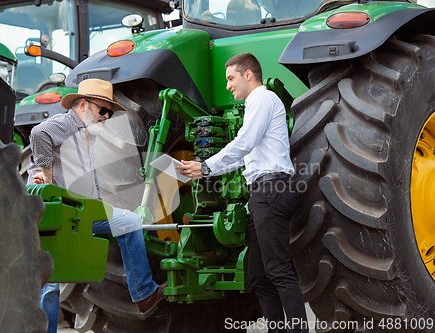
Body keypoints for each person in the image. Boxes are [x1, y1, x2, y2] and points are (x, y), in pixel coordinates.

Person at [175, 53, 308, 333]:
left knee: (279, 270)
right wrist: (204, 170)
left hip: (270, 190)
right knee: (259, 275)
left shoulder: (262, 98)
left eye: (231, 78)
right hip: (262, 193)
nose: (227, 86)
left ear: (249, 75)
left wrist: (207, 164)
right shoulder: (256, 104)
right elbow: (244, 155)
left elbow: (244, 142)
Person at [27, 79, 167, 332]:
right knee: (49, 282)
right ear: (83, 104)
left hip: (82, 212)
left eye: (110, 113)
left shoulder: (87, 134)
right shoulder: (66, 124)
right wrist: (46, 176)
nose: (106, 116)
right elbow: (38, 134)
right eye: (103, 110)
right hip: (59, 213)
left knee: (130, 221)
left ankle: (144, 294)